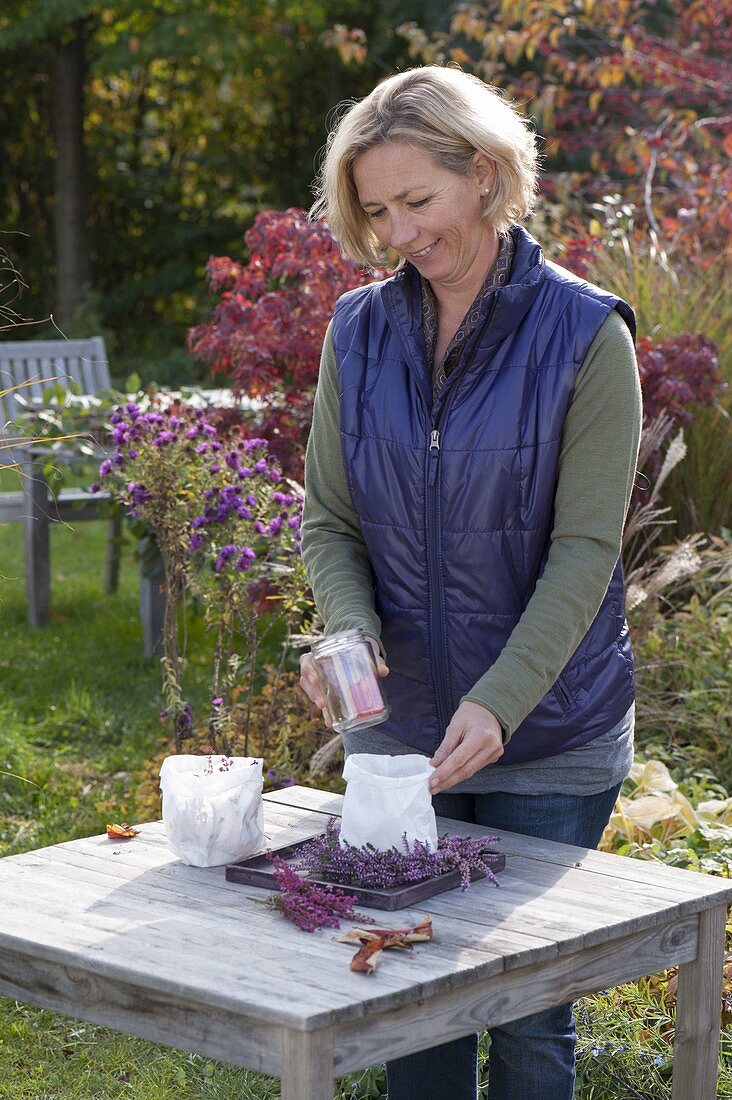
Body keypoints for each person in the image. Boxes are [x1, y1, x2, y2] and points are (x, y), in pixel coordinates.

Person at [299, 64, 642, 1100]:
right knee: (411, 995)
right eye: (374, 209)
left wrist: (501, 698)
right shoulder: (356, 334)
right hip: (399, 740)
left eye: (417, 200)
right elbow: (331, 519)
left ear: (485, 176)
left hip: (552, 737)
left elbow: (586, 550)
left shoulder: (588, 336)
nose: (396, 232)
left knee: (531, 1011)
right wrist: (348, 633)